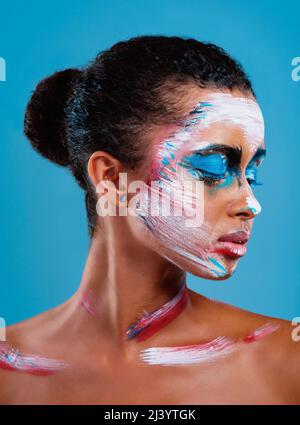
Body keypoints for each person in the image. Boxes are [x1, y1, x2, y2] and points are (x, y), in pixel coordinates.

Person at [0, 35, 299, 404]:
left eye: (251, 174)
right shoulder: (9, 372)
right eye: (211, 168)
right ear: (110, 178)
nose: (251, 204)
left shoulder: (286, 362)